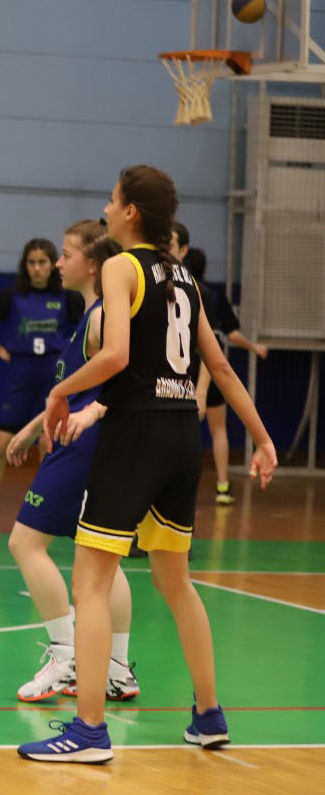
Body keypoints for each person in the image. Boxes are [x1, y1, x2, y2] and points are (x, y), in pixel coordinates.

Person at [19, 166, 278, 763]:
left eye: (112, 200)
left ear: (131, 211)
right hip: (182, 437)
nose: (106, 209)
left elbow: (115, 355)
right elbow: (221, 367)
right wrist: (262, 439)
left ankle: (88, 731)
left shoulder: (121, 267)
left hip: (134, 435)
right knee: (174, 582)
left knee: (90, 581)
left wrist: (60, 392)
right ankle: (209, 715)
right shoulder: (186, 279)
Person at [3, 221, 139, 703]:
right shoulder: (90, 315)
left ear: (94, 265)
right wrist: (32, 427)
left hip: (86, 447)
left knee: (25, 543)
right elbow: (77, 390)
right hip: (91, 444)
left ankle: (66, 657)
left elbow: (124, 382)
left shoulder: (103, 319)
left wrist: (89, 415)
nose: (59, 263)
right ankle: (117, 670)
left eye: (66, 254)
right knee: (104, 560)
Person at [0, 239, 83, 533]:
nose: (37, 268)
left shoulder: (66, 296)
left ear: (52, 265)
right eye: (31, 262)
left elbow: (88, 326)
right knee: (2, 445)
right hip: (22, 375)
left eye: (42, 262)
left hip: (54, 377)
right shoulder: (14, 295)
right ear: (24, 265)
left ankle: (47, 510)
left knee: (47, 443)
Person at [182, 246, 270, 504]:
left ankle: (182, 490)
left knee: (185, 429)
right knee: (218, 429)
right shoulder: (213, 295)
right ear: (206, 268)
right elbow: (232, 334)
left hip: (193, 366)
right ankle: (222, 486)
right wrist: (255, 347)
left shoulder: (183, 291)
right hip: (209, 366)